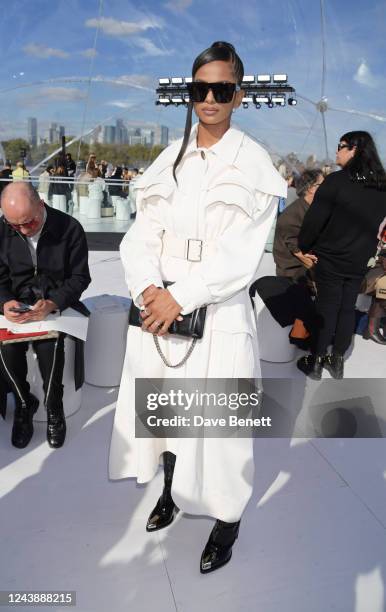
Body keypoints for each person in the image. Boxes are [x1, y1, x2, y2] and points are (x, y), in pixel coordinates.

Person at [109, 41, 286, 573]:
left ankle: (227, 520)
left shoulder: (254, 162)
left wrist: (178, 295)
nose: (209, 98)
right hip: (158, 310)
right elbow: (139, 236)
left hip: (219, 311)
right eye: (199, 88)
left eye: (222, 89)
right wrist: (147, 289)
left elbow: (242, 253)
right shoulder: (170, 158)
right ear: (190, 92)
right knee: (161, 412)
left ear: (238, 94)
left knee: (222, 430)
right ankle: (170, 490)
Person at [0, 182, 91, 448]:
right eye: (14, 225)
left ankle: (54, 408)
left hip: (55, 305)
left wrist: (53, 302)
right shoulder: (2, 229)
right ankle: (25, 404)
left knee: (51, 346)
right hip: (17, 306)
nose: (22, 230)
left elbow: (79, 277)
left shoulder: (70, 228)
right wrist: (5, 302)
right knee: (6, 349)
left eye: (28, 222)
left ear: (41, 204)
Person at [297, 131, 386, 379]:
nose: (337, 151)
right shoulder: (382, 185)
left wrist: (305, 245)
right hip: (360, 260)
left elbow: (315, 220)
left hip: (331, 257)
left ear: (354, 149)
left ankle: (315, 360)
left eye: (341, 146)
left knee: (326, 308)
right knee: (347, 307)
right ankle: (336, 360)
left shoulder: (337, 181)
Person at [251, 169, 324, 350]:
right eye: (321, 184)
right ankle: (304, 334)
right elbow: (297, 250)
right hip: (292, 269)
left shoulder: (314, 208)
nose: (326, 187)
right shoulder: (292, 214)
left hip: (305, 264)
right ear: (310, 189)